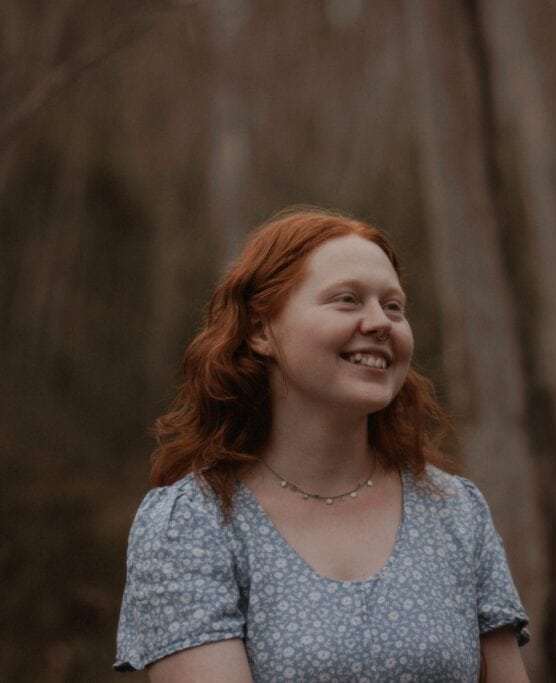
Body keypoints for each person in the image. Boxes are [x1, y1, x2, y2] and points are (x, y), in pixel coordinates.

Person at [114, 207, 530, 681]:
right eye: (348, 300)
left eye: (394, 306)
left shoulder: (456, 511)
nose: (380, 322)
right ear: (259, 331)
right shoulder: (192, 524)